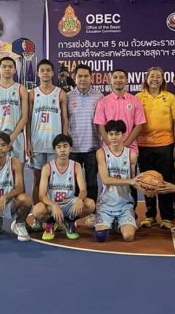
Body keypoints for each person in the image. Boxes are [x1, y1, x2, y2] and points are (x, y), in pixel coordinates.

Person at [27, 59, 69, 231]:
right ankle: (38, 217)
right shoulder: (32, 94)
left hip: (54, 146)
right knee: (37, 180)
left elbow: (65, 119)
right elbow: (28, 120)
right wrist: (28, 142)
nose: (45, 73)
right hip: (37, 144)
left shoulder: (60, 93)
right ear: (38, 73)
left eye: (48, 70)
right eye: (42, 70)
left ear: (52, 73)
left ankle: (55, 217)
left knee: (54, 182)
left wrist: (64, 143)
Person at [136, 67, 175, 229]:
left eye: (158, 76)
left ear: (162, 80)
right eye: (152, 76)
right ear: (146, 79)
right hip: (143, 145)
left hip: (165, 145)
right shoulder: (139, 97)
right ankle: (150, 215)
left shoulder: (169, 97)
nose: (155, 79)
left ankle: (167, 217)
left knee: (164, 181)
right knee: (147, 181)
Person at [32, 134, 95, 240]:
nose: (62, 150)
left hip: (70, 203)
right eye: (59, 147)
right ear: (55, 150)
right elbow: (42, 195)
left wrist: (80, 199)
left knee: (90, 204)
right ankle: (51, 223)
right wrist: (54, 206)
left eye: (65, 146)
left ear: (71, 148)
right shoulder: (47, 167)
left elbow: (83, 190)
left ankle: (69, 221)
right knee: (37, 210)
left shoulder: (76, 166)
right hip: (53, 204)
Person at [67, 64, 103, 227]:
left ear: (91, 77)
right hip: (73, 149)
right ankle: (72, 215)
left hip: (92, 147)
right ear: (74, 78)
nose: (83, 79)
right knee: (73, 184)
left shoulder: (99, 97)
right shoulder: (68, 97)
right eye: (79, 76)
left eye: (86, 76)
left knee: (91, 182)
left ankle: (92, 214)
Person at [94, 120, 141, 243]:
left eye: (117, 134)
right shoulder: (101, 153)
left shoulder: (131, 155)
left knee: (128, 237)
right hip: (106, 203)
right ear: (107, 135)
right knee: (100, 237)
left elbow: (134, 180)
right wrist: (130, 181)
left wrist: (147, 187)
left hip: (124, 204)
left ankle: (118, 222)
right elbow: (105, 180)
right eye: (111, 134)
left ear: (123, 135)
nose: (114, 137)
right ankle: (111, 221)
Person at [0, 56, 28, 164]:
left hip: (16, 136)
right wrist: (2, 139)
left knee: (17, 170)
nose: (7, 69)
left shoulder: (21, 89)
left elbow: (24, 117)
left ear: (15, 70)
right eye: (4, 66)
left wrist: (11, 138)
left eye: (10, 66)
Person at [94, 69, 146, 152]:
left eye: (121, 77)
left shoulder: (135, 101)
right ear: (110, 80)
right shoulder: (103, 102)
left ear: (127, 81)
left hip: (130, 148)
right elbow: (101, 126)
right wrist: (111, 146)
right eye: (115, 77)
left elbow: (139, 125)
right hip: (109, 149)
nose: (118, 80)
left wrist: (125, 145)